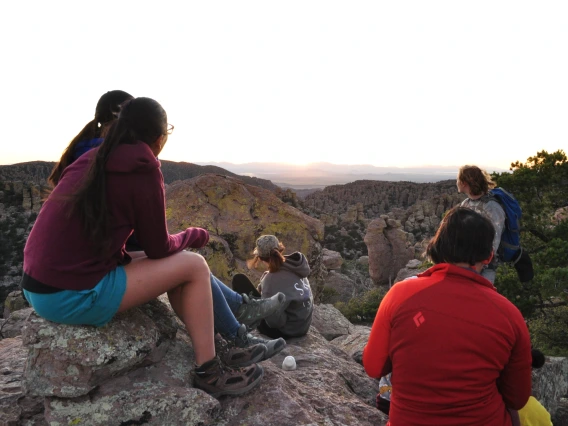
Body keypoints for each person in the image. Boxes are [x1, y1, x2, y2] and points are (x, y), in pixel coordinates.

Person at [22, 97, 266, 397]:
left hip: (37, 287)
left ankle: (221, 342)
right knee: (193, 265)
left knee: (180, 265)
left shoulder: (96, 156)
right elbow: (159, 248)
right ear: (160, 137)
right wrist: (193, 234)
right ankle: (210, 371)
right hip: (69, 295)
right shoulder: (143, 167)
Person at [363, 207, 532, 425]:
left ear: (436, 247)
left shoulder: (400, 295)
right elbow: (517, 399)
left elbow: (373, 367)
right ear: (489, 255)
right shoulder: (509, 314)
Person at [237, 235, 313, 339]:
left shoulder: (271, 279)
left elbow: (274, 323)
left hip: (285, 332)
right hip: (302, 327)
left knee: (239, 282)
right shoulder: (293, 265)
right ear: (280, 249)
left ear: (260, 257)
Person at [457, 165, 505, 283]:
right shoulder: (466, 204)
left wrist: (478, 266)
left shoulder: (492, 208)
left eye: (458, 180)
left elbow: (494, 241)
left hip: (484, 269)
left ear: (464, 183)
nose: (456, 182)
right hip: (466, 264)